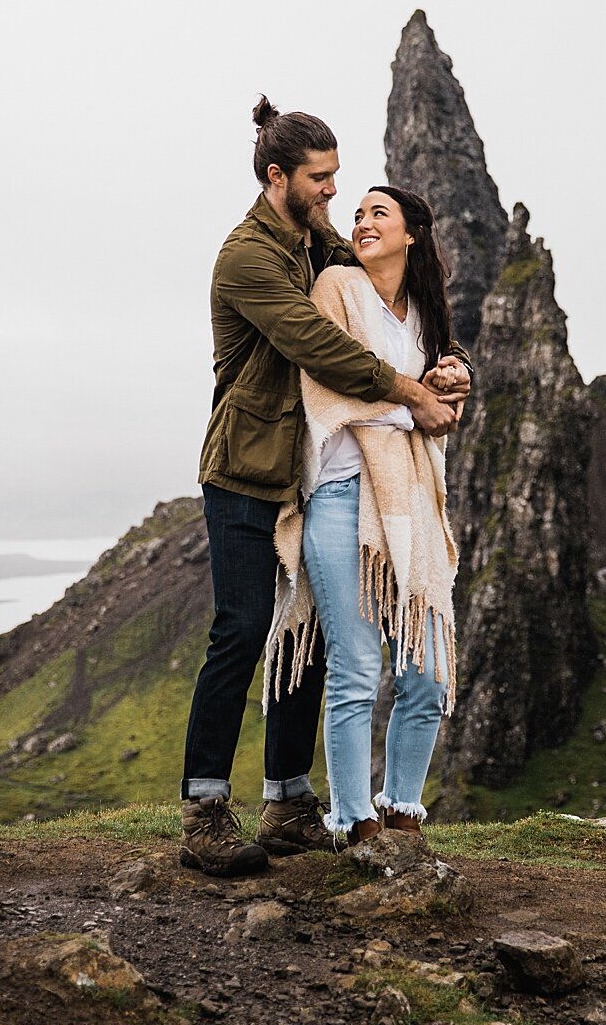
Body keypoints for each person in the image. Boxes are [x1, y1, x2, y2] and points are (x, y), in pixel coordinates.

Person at [181, 99, 471, 876]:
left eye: (337, 177)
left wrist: (450, 364)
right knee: (242, 629)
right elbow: (317, 341)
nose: (334, 192)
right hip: (247, 467)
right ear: (279, 178)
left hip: (306, 471)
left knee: (308, 635)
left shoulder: (319, 242)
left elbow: (392, 304)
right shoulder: (249, 256)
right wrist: (411, 394)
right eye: (321, 178)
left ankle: (286, 801)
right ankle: (205, 810)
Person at [266, 186, 461, 848]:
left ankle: (404, 808)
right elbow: (329, 377)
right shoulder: (337, 286)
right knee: (354, 669)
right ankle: (355, 822)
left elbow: (436, 408)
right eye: (358, 214)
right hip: (340, 496)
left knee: (427, 671)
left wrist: (448, 385)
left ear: (413, 232)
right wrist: (415, 407)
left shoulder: (425, 316)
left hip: (407, 502)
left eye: (380, 212)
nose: (362, 221)